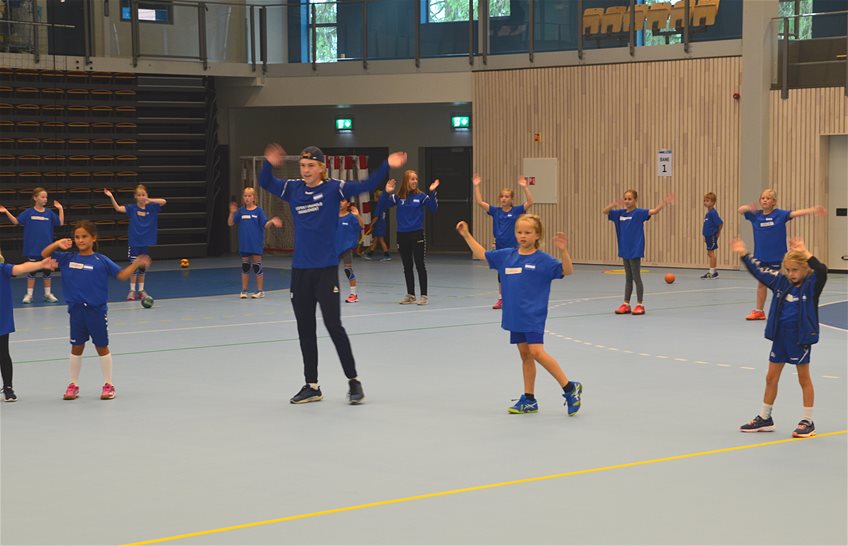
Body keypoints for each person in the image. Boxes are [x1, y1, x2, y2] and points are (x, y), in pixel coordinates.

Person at [259, 143, 407, 405]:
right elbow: (265, 181)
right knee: (305, 328)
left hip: (325, 270)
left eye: (311, 166)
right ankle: (312, 386)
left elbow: (365, 184)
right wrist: (268, 162)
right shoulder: (293, 188)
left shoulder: (334, 188)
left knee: (333, 326)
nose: (305, 170)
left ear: (321, 168)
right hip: (300, 272)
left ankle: (354, 381)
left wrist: (387, 165)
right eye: (303, 166)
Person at [456, 214, 583, 415]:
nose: (522, 236)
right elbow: (483, 254)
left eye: (527, 232)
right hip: (514, 316)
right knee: (525, 356)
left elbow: (567, 271)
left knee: (536, 352)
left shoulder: (543, 260)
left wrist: (563, 250)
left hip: (533, 315)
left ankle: (569, 387)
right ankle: (529, 399)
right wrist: (466, 235)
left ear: (537, 235)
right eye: (519, 232)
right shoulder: (507, 255)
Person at [42, 220, 151, 401]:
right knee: (77, 346)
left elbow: (122, 276)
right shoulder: (68, 258)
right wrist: (56, 244)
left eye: (84, 236)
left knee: (101, 346)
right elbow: (44, 254)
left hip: (96, 311)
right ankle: (73, 384)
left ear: (93, 238)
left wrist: (136, 263)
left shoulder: (101, 260)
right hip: (76, 311)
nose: (80, 240)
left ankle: (109, 384)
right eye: (77, 237)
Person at [732, 237, 827, 438]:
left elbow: (822, 270)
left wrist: (806, 252)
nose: (791, 274)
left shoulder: (811, 285)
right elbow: (759, 271)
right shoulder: (781, 282)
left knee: (803, 378)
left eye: (795, 270)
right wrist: (744, 254)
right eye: (788, 270)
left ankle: (807, 421)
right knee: (771, 377)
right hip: (780, 338)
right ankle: (765, 417)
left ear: (805, 269)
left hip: (799, 339)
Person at [737, 189, 825, 320]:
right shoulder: (756, 216)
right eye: (763, 198)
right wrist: (750, 207)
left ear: (774, 202)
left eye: (768, 198)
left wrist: (813, 210)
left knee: (782, 284)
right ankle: (759, 311)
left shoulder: (780, 215)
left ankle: (786, 309)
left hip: (779, 258)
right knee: (761, 283)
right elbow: (740, 210)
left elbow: (796, 213)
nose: (765, 200)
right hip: (761, 256)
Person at [602, 190, 674, 315]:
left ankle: (640, 304)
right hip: (624, 249)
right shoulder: (620, 214)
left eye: (630, 199)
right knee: (628, 278)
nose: (627, 201)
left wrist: (664, 203)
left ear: (635, 200)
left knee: (636, 277)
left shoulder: (639, 213)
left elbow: (654, 211)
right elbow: (605, 211)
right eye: (625, 199)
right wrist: (613, 204)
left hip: (635, 250)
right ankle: (626, 304)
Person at [1, 256, 60, 401]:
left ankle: (8, 388)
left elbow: (21, 268)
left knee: (3, 353)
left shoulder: (3, 269)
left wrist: (40, 263)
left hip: (1, 320)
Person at [473, 173, 534, 309]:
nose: (503, 199)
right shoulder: (496, 211)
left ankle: (518, 297)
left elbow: (530, 202)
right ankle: (501, 299)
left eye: (506, 197)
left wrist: (525, 187)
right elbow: (480, 203)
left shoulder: (517, 210)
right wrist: (476, 186)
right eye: (502, 196)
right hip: (500, 248)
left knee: (516, 272)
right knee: (501, 273)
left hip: (514, 247)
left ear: (511, 199)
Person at [380, 171, 439, 305]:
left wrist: (432, 192)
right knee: (407, 266)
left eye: (416, 179)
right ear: (406, 180)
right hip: (402, 235)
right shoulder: (397, 197)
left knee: (420, 265)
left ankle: (424, 296)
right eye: (412, 179)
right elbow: (383, 206)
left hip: (417, 234)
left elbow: (433, 209)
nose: (415, 181)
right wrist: (386, 192)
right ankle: (410, 295)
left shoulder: (422, 196)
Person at [0, 187, 64, 303]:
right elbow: (16, 221)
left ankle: (48, 294)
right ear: (35, 198)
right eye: (42, 197)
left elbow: (60, 222)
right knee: (32, 272)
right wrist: (6, 212)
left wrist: (60, 209)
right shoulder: (28, 212)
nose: (45, 199)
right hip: (33, 249)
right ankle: (29, 295)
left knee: (47, 272)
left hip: (47, 249)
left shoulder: (49, 213)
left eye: (46, 197)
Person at [104, 184, 166, 301]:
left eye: (143, 194)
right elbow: (118, 208)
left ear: (146, 195)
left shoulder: (151, 207)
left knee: (142, 268)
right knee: (134, 267)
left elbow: (163, 201)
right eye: (139, 195)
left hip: (145, 243)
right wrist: (111, 196)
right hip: (134, 243)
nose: (141, 197)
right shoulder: (132, 208)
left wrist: (149, 200)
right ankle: (132, 291)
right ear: (135, 197)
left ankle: (141, 291)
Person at [228, 187, 283, 299]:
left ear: (254, 197)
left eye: (249, 196)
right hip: (245, 244)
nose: (247, 198)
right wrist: (232, 213)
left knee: (257, 266)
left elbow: (265, 224)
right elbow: (230, 223)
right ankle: (244, 290)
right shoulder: (240, 211)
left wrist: (271, 221)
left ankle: (260, 290)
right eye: (245, 196)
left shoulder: (259, 211)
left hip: (255, 244)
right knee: (245, 266)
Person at [337, 199, 365, 303]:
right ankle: (332, 293)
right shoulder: (332, 215)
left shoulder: (351, 217)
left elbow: (362, 226)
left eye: (343, 201)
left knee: (348, 270)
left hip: (346, 248)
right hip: (334, 249)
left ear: (348, 203)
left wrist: (357, 216)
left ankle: (353, 294)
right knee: (330, 272)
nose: (340, 202)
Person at [362, 189, 391, 262]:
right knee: (375, 240)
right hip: (381, 224)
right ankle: (369, 254)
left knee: (381, 240)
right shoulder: (384, 205)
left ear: (378, 197)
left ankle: (387, 255)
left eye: (375, 197)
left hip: (379, 225)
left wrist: (371, 224)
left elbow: (376, 217)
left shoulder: (379, 206)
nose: (374, 198)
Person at [701, 192, 723, 279]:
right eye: (704, 201)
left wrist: (717, 233)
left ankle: (712, 272)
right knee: (709, 253)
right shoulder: (708, 213)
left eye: (707, 201)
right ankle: (713, 271)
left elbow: (720, 223)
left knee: (711, 253)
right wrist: (706, 237)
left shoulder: (713, 213)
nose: (705, 202)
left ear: (713, 202)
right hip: (708, 236)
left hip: (712, 236)